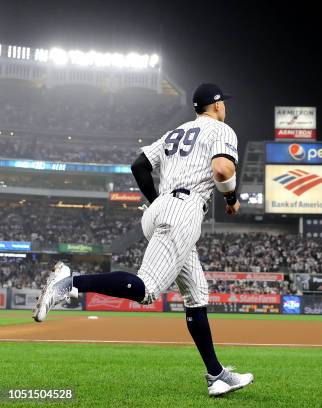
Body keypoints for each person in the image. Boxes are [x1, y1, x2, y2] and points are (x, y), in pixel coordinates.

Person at [32, 83, 253, 397]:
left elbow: (138, 165)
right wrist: (232, 197)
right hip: (185, 209)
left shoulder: (176, 132)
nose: (225, 108)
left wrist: (157, 202)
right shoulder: (221, 130)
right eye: (223, 104)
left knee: (197, 295)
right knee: (147, 289)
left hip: (161, 207)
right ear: (216, 105)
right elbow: (221, 169)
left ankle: (217, 375)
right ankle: (70, 283)